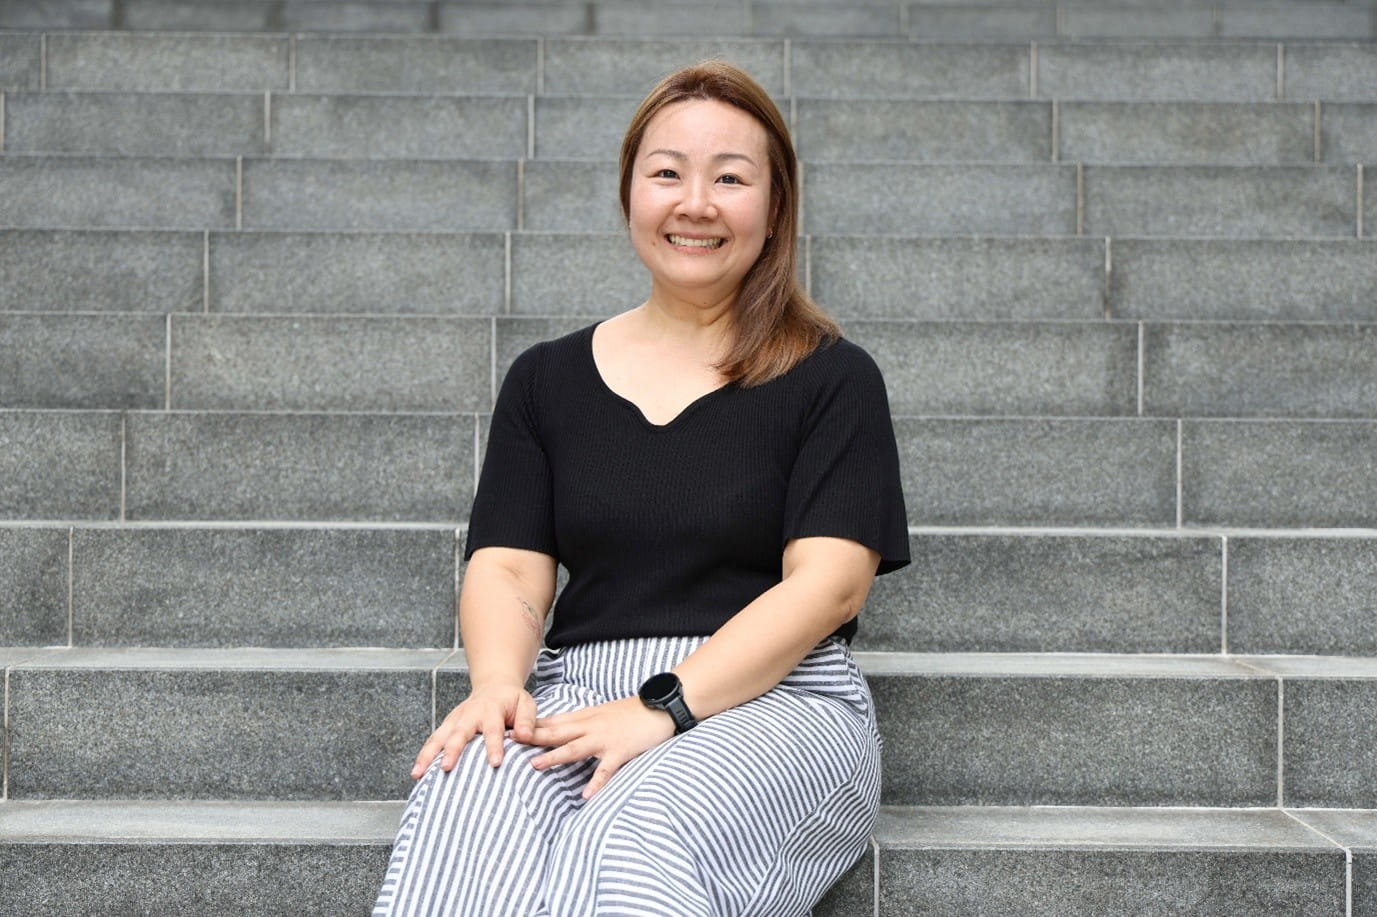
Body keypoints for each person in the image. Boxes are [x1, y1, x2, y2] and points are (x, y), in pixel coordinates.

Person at [373, 59, 910, 917]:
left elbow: (829, 586)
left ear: (775, 207)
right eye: (666, 173)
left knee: (633, 830)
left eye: (729, 178)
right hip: (579, 691)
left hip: (777, 699)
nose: (695, 203)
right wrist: (498, 683)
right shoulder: (546, 380)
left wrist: (665, 704)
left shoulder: (830, 378)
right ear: (628, 191)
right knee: (471, 796)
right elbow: (507, 567)